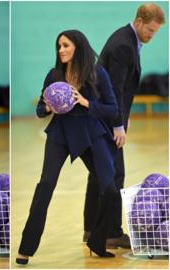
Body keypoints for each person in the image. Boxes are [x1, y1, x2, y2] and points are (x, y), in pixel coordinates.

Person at [16, 30, 120, 265]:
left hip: (91, 132)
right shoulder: (54, 75)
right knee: (46, 185)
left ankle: (97, 241)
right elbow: (40, 110)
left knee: (110, 188)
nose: (61, 50)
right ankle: (25, 248)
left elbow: (113, 110)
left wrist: (86, 103)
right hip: (60, 133)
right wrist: (48, 109)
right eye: (59, 46)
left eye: (66, 45)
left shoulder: (97, 73)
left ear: (78, 47)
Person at [83, 3, 165, 248]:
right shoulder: (123, 46)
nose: (152, 35)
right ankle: (111, 233)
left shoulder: (128, 39)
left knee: (98, 175)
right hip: (106, 120)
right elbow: (115, 88)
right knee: (114, 174)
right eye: (150, 30)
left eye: (155, 32)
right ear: (139, 21)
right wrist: (118, 124)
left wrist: (123, 116)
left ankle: (91, 229)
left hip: (102, 117)